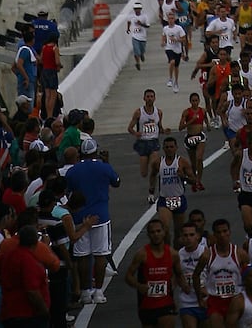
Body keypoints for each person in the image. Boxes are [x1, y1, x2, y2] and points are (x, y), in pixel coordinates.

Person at [66, 136, 120, 304]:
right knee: (101, 254)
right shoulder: (104, 167)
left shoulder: (73, 171)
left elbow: (69, 190)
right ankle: (98, 291)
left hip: (80, 217)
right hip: (101, 216)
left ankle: (85, 291)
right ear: (96, 151)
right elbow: (116, 182)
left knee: (83, 256)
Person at [125, 217, 189, 328]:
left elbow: (179, 274)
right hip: (146, 305)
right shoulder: (141, 254)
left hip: (166, 304)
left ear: (164, 232)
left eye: (158, 231)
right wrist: (138, 286)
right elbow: (128, 276)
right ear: (148, 235)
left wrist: (184, 287)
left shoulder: (173, 254)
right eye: (152, 232)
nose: (156, 234)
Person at [192, 217, 249, 326]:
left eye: (225, 231)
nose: (222, 235)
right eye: (219, 232)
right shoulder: (207, 255)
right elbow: (196, 275)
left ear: (229, 232)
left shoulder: (240, 254)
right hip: (215, 300)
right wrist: (199, 297)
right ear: (214, 235)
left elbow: (248, 276)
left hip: (235, 299)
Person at [0, 225, 52, 328]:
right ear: (35, 241)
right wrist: (44, 311)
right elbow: (32, 292)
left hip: (9, 311)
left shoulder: (9, 255)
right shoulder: (28, 260)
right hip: (27, 315)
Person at [150, 136, 198, 246]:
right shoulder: (158, 162)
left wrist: (183, 177)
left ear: (176, 148)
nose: (169, 149)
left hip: (179, 198)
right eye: (167, 147)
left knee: (179, 233)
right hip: (164, 199)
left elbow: (194, 181)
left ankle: (177, 254)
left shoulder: (182, 162)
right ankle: (167, 251)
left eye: (171, 147)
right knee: (164, 230)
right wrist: (151, 190)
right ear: (163, 148)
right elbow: (152, 174)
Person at [129, 88, 167, 203]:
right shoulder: (139, 112)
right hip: (142, 143)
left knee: (154, 168)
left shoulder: (159, 112)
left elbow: (160, 127)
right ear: (144, 98)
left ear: (154, 98)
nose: (150, 98)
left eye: (151, 96)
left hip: (154, 142)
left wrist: (165, 131)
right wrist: (136, 133)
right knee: (144, 173)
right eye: (148, 96)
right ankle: (151, 188)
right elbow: (130, 128)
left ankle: (151, 193)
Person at [175, 221, 209, 328]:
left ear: (198, 236)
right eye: (185, 235)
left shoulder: (205, 252)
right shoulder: (178, 255)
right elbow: (175, 275)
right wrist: (181, 283)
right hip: (187, 302)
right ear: (181, 237)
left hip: (206, 300)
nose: (188, 238)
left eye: (191, 235)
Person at [178, 92, 208, 192]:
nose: (195, 102)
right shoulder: (186, 112)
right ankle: (194, 181)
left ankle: (199, 181)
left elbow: (206, 119)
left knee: (199, 158)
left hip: (200, 137)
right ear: (190, 102)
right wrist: (191, 121)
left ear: (199, 101)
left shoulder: (203, 111)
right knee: (193, 163)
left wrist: (207, 126)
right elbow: (180, 127)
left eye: (196, 100)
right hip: (190, 137)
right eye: (193, 101)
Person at [162, 10, 189, 92]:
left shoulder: (179, 28)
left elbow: (184, 39)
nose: (171, 20)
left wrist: (176, 39)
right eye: (169, 18)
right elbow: (163, 36)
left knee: (176, 66)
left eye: (172, 18)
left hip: (177, 49)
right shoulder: (165, 28)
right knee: (172, 62)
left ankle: (176, 82)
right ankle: (170, 79)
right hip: (169, 48)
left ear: (174, 19)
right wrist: (163, 42)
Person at [39, 34, 63, 120]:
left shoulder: (44, 47)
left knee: (47, 95)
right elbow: (57, 62)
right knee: (53, 95)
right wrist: (60, 66)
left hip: (44, 71)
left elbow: (41, 60)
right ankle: (50, 115)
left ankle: (48, 115)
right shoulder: (55, 48)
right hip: (52, 72)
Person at [14, 27, 38, 102]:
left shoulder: (28, 49)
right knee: (27, 105)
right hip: (27, 82)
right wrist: (25, 78)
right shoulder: (25, 50)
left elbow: (14, 66)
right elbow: (18, 65)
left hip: (30, 80)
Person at [128, 1, 151, 71]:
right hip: (135, 36)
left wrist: (141, 24)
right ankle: (137, 62)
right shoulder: (131, 16)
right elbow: (128, 21)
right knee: (136, 51)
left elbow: (148, 26)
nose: (137, 10)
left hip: (143, 37)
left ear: (141, 9)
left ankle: (142, 54)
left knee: (142, 50)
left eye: (138, 9)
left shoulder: (144, 16)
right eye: (136, 9)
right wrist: (128, 28)